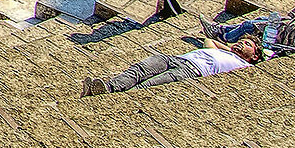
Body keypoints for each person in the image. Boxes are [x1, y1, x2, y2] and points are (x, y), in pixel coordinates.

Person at [83, 39, 258, 96]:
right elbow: (209, 40)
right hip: (176, 59)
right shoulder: (224, 53)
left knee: (148, 85)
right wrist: (232, 49)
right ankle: (107, 88)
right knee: (139, 70)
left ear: (255, 56)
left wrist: (240, 55)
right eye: (240, 41)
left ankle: (114, 97)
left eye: (247, 44)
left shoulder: (243, 66)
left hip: (192, 70)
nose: (241, 43)